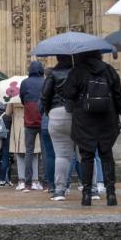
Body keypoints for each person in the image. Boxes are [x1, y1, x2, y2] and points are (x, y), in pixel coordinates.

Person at [61, 51, 121, 207]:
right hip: (107, 119)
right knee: (107, 155)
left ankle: (87, 194)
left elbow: (67, 93)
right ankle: (111, 193)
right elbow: (118, 97)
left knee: (87, 156)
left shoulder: (78, 71)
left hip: (84, 120)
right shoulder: (109, 70)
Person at [41, 55, 73, 201]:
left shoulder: (53, 74)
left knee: (61, 155)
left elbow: (45, 96)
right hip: (78, 115)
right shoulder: (78, 72)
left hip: (57, 113)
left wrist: (49, 111)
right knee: (85, 154)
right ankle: (92, 189)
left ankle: (59, 191)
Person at [19, 61, 45, 191]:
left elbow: (23, 100)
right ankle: (47, 183)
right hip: (44, 119)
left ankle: (27, 183)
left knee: (29, 151)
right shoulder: (45, 81)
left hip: (29, 120)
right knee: (46, 152)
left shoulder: (25, 83)